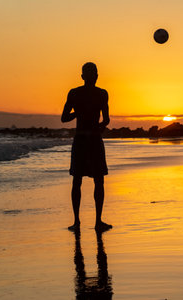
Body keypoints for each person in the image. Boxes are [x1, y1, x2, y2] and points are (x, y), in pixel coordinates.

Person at [62, 62, 112, 232]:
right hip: (93, 140)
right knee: (97, 181)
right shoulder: (100, 94)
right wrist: (98, 128)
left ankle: (78, 222)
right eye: (93, 74)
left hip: (82, 140)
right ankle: (96, 222)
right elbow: (105, 120)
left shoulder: (75, 93)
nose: (93, 77)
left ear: (83, 76)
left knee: (78, 181)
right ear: (93, 76)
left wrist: (78, 111)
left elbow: (64, 118)